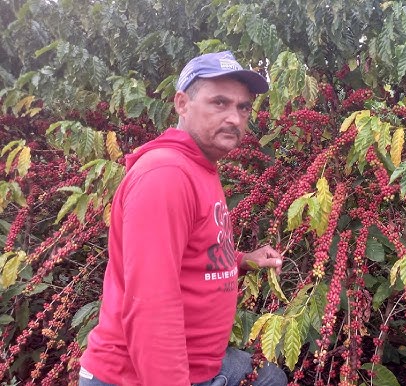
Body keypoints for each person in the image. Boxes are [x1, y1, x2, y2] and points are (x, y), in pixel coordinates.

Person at [78, 51, 288, 386]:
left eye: (243, 107)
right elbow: (151, 306)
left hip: (199, 364)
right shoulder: (166, 175)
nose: (235, 118)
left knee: (270, 377)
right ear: (181, 103)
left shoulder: (199, 167)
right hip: (137, 376)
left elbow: (192, 255)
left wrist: (242, 261)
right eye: (219, 103)